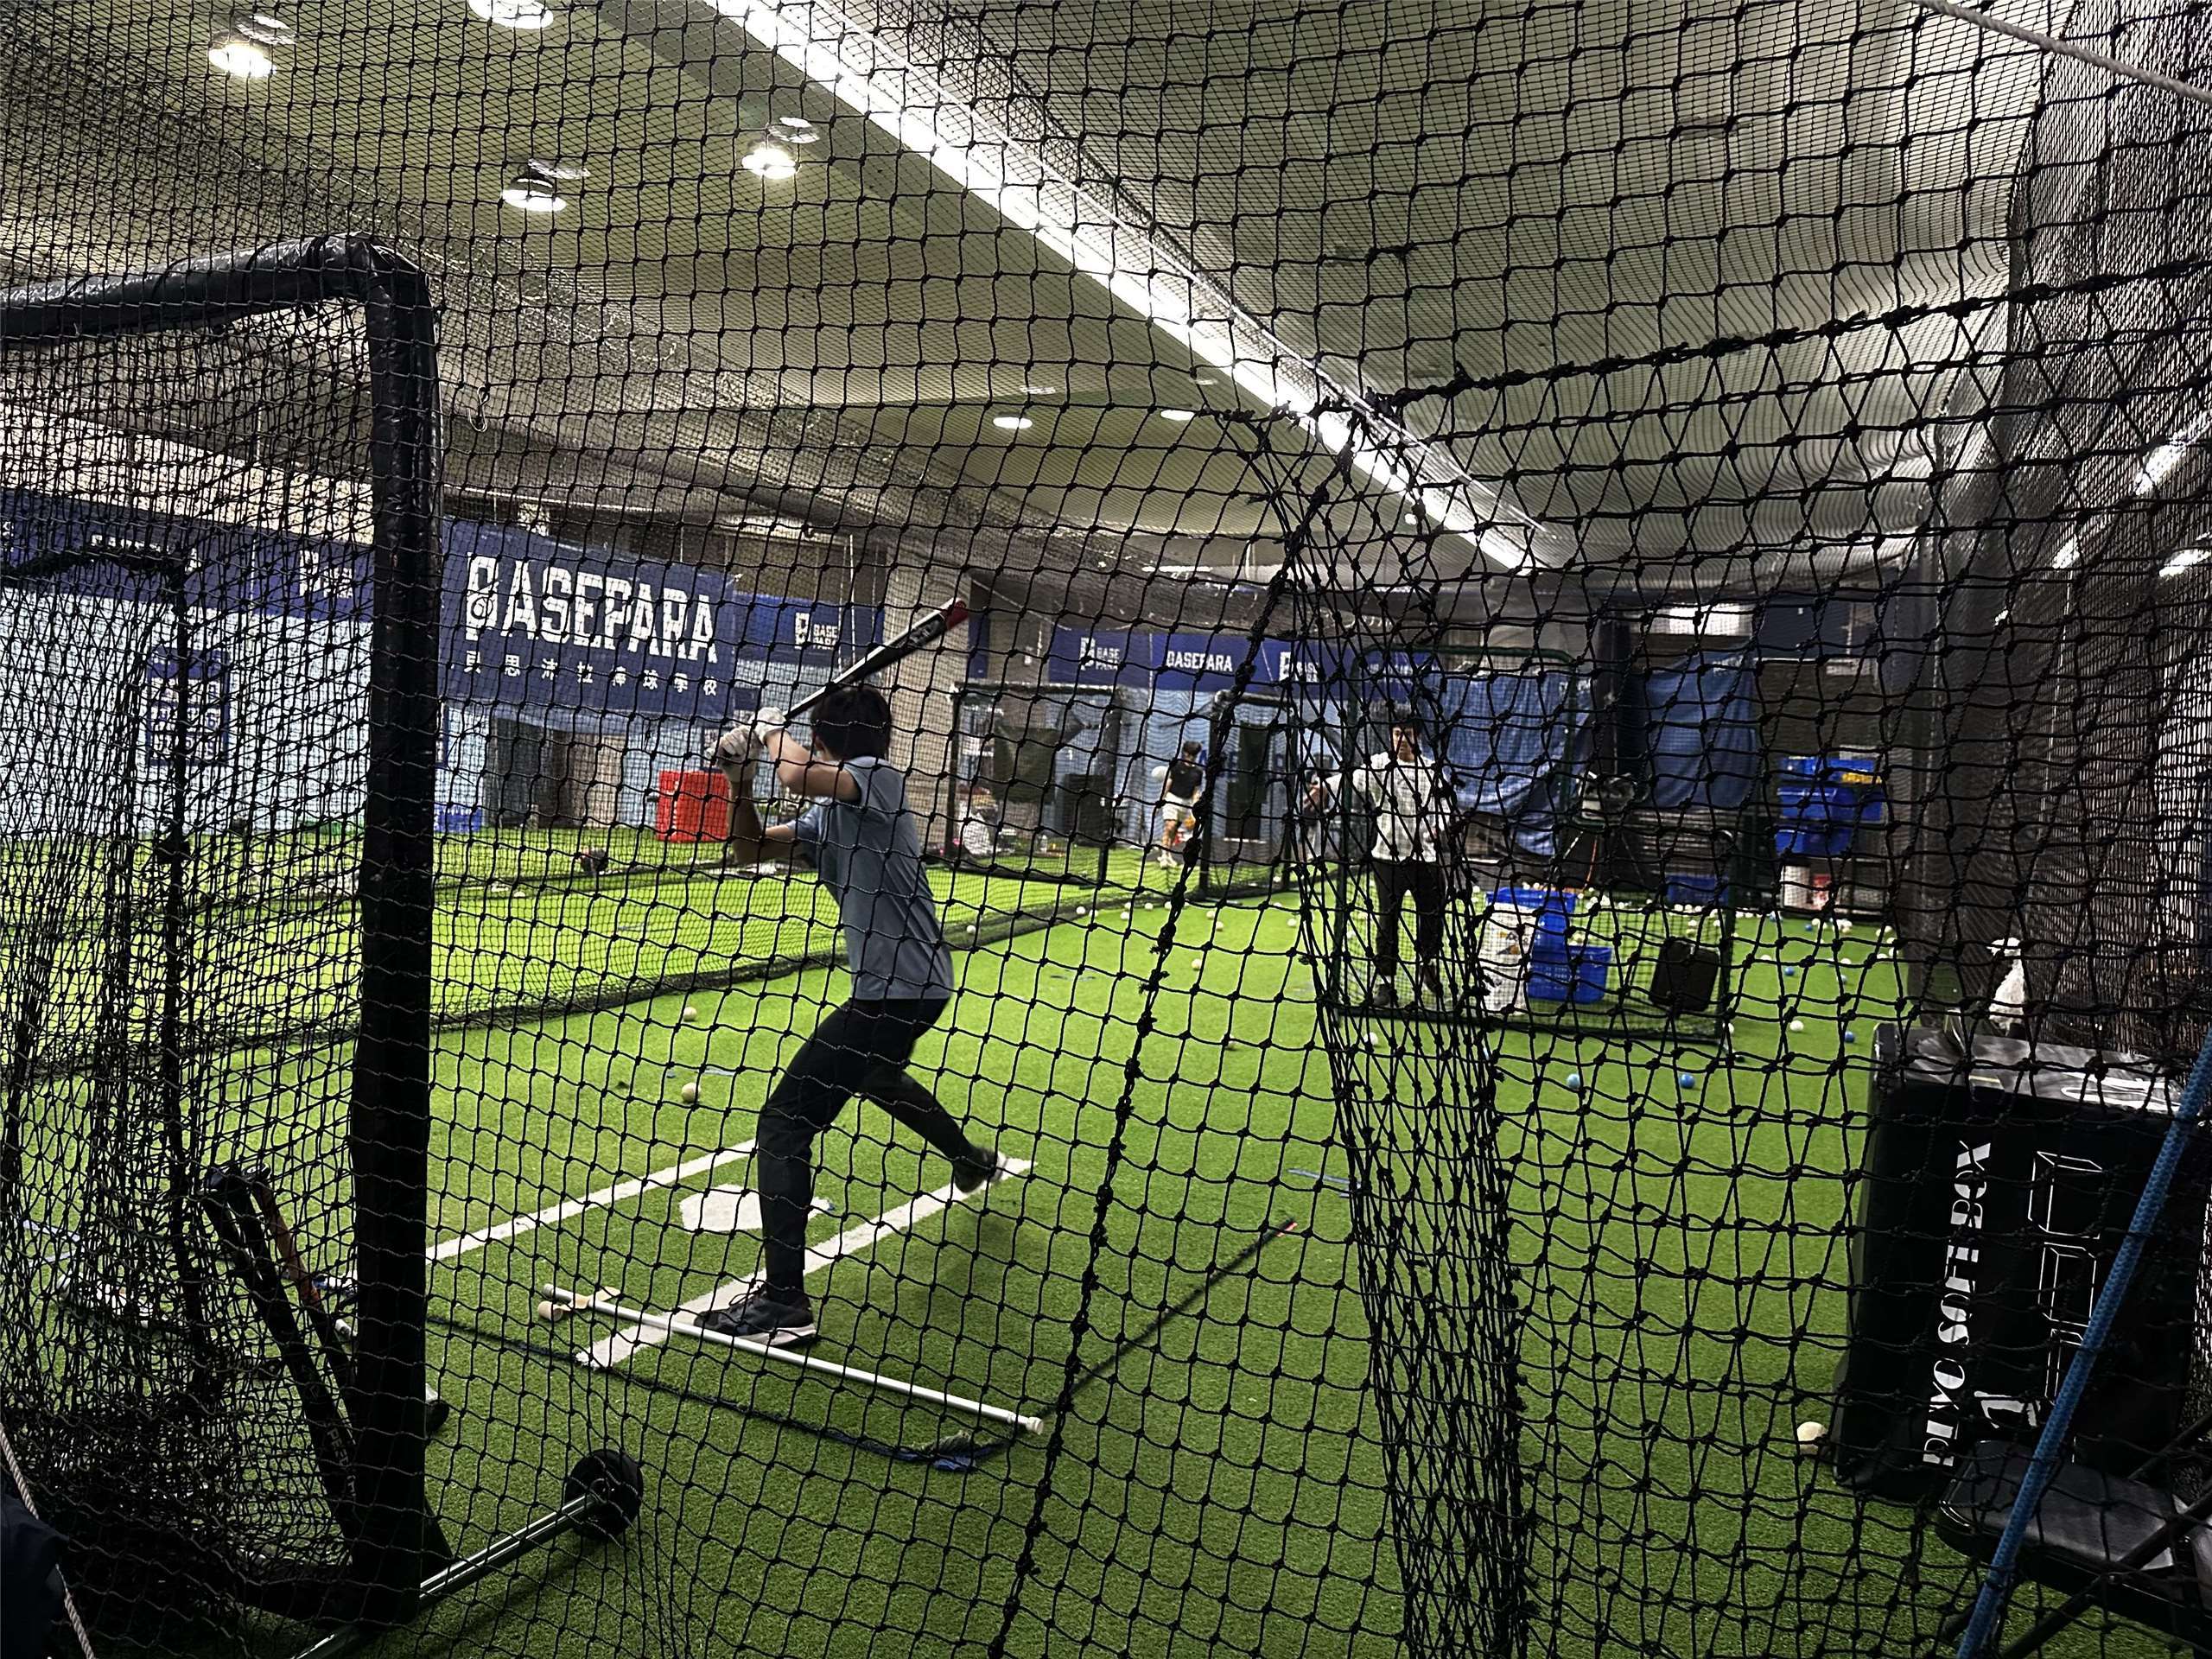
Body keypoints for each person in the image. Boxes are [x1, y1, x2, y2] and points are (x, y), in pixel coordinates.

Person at [708, 686, 1007, 1346]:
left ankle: (786, 1303)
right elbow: (751, 850)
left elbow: (797, 770)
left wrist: (765, 731)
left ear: (824, 742)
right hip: (912, 985)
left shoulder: (876, 779)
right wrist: (740, 782)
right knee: (873, 1076)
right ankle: (970, 1160)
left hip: (894, 989)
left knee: (783, 1123)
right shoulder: (827, 815)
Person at [1303, 706, 1455, 1007]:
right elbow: (1349, 779)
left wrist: (1439, 827)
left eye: (1407, 735)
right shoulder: (1380, 765)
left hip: (1424, 857)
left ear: (1418, 737)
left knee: (1433, 914)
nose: (1401, 740)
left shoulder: (1431, 769)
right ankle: (1387, 983)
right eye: (1397, 734)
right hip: (1387, 857)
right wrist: (1323, 788)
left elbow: (1445, 807)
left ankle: (1429, 963)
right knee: (1387, 921)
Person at [1152, 740, 1205, 870]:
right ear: (1185, 753)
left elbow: (1196, 791)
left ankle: (1167, 854)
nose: (1190, 757)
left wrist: (1194, 808)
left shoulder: (1198, 772)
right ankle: (1164, 857)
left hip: (1186, 803)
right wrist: (1161, 800)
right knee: (1169, 826)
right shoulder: (1176, 766)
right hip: (1172, 798)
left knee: (1174, 830)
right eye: (1189, 754)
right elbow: (1168, 784)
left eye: (1193, 754)